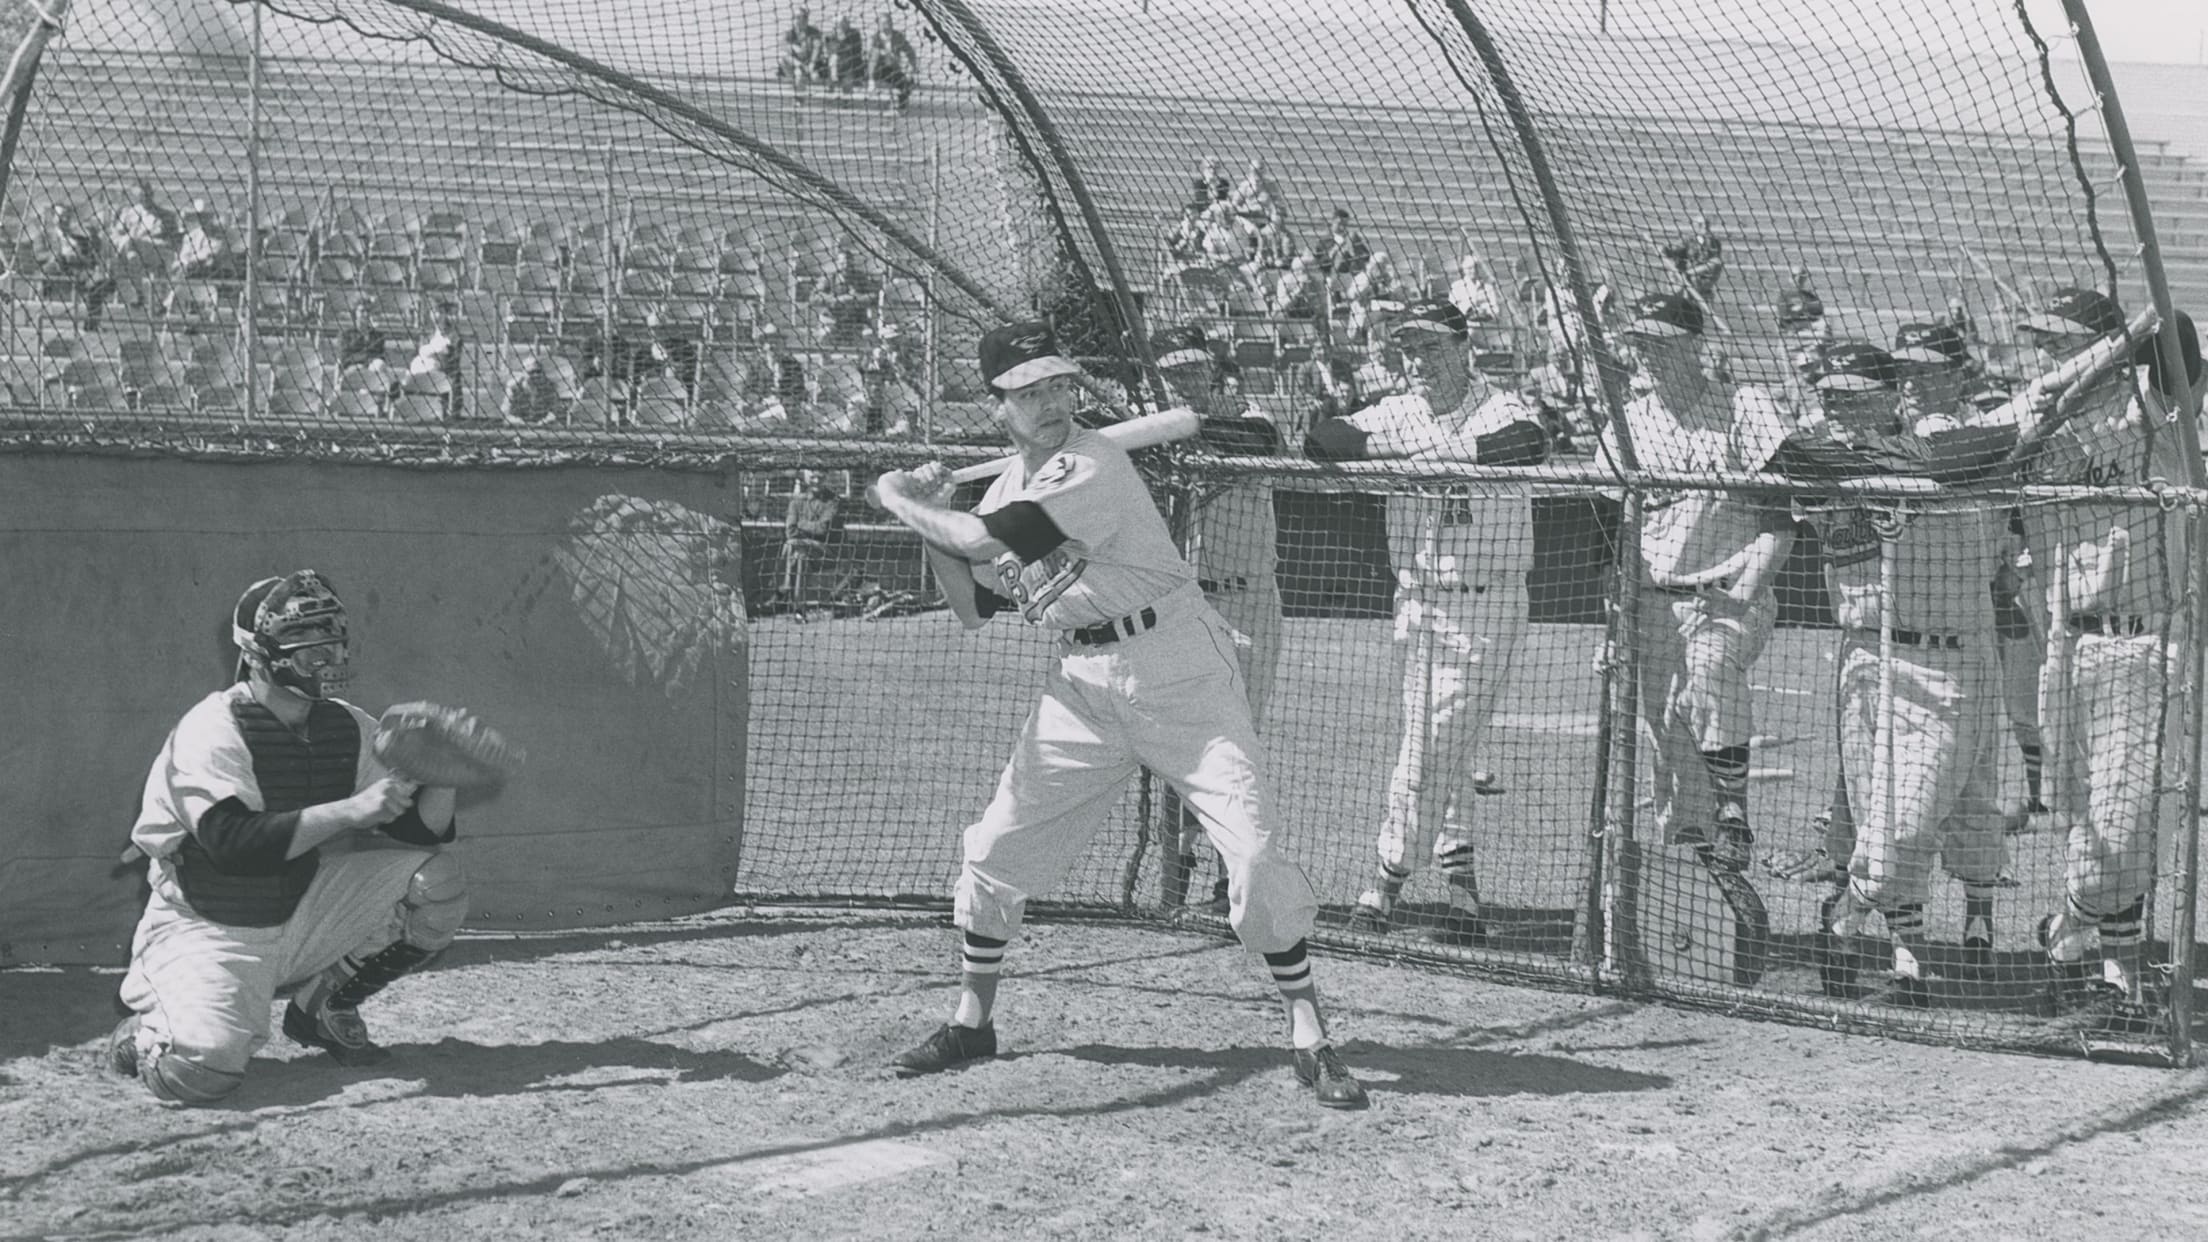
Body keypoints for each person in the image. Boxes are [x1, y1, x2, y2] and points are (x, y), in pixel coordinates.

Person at [868, 321, 1366, 1108]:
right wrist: (929, 518)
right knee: (996, 847)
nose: (1050, 403)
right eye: (1027, 392)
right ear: (998, 405)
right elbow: (971, 606)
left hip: (1178, 669)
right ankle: (972, 1021)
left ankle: (1310, 1034)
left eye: (1058, 385)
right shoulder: (1002, 492)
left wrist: (899, 499)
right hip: (1082, 685)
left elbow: (979, 539)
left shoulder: (1092, 463)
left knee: (1255, 854)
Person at [106, 571, 465, 1104]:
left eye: (332, 638)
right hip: (208, 924)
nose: (326, 655)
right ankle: (148, 1030)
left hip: (297, 908)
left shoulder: (346, 725)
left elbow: (418, 830)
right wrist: (350, 810)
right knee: (200, 1071)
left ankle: (323, 1007)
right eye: (304, 642)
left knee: (436, 883)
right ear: (257, 653)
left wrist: (444, 775)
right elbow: (233, 845)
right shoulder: (213, 727)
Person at [1760, 339, 2017, 998]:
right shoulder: (1826, 451)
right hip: (1865, 650)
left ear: (1886, 397)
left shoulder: (1937, 448)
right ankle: (1908, 953)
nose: (1837, 407)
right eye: (1830, 396)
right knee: (1881, 808)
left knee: (1941, 805)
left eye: (1853, 397)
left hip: (1952, 648)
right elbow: (1799, 466)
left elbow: (1972, 492)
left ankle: (1953, 917)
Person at [1302, 300, 1548, 941]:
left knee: (1431, 744)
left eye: (1433, 348)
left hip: (1485, 603)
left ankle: (1386, 880)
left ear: (1464, 349)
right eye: (1409, 349)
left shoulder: (1500, 405)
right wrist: (1409, 448)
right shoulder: (1399, 410)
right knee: (1438, 743)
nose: (1419, 361)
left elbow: (1529, 444)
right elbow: (1321, 439)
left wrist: (1440, 453)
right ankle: (1463, 892)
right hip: (1418, 602)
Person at [2011, 287, 2190, 1012]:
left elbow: (2179, 332)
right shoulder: (2044, 423)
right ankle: (2114, 972)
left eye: (2060, 341)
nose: (2046, 354)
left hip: (2143, 645)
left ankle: (2066, 926)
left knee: (2127, 818)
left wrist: (2117, 346)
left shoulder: (2153, 411)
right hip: (2068, 646)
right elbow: (1996, 440)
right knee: (2088, 820)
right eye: (2043, 342)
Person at [1598, 291, 1794, 873]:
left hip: (1729, 592)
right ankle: (1703, 887)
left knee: (1709, 668)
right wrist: (1613, 627)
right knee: (1673, 754)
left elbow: (1781, 522)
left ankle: (1733, 812)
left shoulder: (1745, 407)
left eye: (1662, 342)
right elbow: (1613, 539)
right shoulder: (1628, 422)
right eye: (1640, 343)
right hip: (1655, 606)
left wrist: (1740, 598)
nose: (1648, 354)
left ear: (1696, 344)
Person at [1149, 325, 1286, 914]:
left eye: (1192, 368)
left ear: (1212, 370)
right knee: (1180, 738)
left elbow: (1260, 440)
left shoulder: (1249, 416)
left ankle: (1236, 876)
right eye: (1171, 372)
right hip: (1183, 604)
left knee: (1236, 742)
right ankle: (1177, 870)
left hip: (1246, 604)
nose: (1183, 380)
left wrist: (1174, 428)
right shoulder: (1151, 430)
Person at [41, 204, 115, 332]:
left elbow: (91, 260)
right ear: (54, 218)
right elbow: (38, 255)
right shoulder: (45, 236)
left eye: (67, 216)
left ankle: (92, 323)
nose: (64, 219)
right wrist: (58, 256)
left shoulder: (80, 239)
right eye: (61, 216)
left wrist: (80, 256)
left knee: (100, 283)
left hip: (79, 271)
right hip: (57, 271)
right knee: (59, 264)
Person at [108, 180, 178, 311]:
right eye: (140, 196)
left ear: (151, 194)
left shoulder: (166, 215)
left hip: (157, 252)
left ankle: (152, 297)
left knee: (130, 243)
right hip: (134, 253)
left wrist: (141, 239)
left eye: (146, 195)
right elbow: (117, 233)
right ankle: (140, 296)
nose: (143, 199)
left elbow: (173, 242)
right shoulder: (129, 213)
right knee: (132, 255)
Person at [781, 470, 842, 612]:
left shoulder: (833, 501)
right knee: (800, 556)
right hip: (802, 551)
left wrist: (801, 524)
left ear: (825, 478)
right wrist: (810, 528)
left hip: (825, 553)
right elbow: (790, 531)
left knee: (791, 545)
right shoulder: (796, 501)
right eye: (813, 477)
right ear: (807, 478)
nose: (816, 481)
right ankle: (798, 609)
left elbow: (823, 530)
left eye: (820, 477)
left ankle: (783, 589)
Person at [407, 303, 465, 419]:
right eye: (436, 312)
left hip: (442, 370)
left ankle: (444, 409)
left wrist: (436, 354)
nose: (439, 317)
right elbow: (418, 353)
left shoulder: (454, 338)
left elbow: (452, 360)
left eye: (441, 313)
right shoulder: (428, 335)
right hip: (424, 368)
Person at [1660, 214, 1725, 303]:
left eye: (1706, 224)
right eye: (1700, 224)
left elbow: (1715, 263)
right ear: (1694, 226)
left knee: (1716, 262)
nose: (1704, 226)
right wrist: (1664, 249)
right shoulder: (1687, 240)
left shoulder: (1715, 243)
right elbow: (1672, 251)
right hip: (1686, 278)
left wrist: (1691, 272)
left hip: (1704, 278)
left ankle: (1690, 276)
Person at [867, 14, 919, 111]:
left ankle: (901, 107)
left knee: (906, 82)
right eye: (881, 23)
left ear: (891, 24)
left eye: (886, 23)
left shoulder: (898, 37)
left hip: (892, 69)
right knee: (876, 53)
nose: (883, 26)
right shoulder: (875, 38)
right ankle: (871, 81)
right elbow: (870, 58)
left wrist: (911, 69)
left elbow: (910, 52)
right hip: (878, 70)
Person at [502, 352, 563, 424]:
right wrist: (521, 422)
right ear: (523, 373)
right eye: (532, 372)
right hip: (518, 424)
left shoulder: (549, 386)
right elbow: (506, 413)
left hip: (542, 425)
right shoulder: (514, 387)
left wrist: (545, 421)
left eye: (538, 371)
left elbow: (555, 411)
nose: (536, 375)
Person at [1316, 208, 1372, 283]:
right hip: (1334, 272)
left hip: (1351, 272)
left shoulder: (1351, 237)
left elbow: (1366, 256)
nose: (1342, 227)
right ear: (1332, 221)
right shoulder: (1324, 240)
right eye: (1339, 224)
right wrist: (1335, 249)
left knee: (1352, 236)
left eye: (1345, 225)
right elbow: (1321, 262)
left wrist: (1354, 252)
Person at [778, 7, 827, 89]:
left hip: (810, 65)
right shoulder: (790, 32)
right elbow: (782, 45)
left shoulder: (814, 32)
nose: (798, 20)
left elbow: (817, 49)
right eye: (796, 17)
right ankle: (796, 77)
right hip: (796, 64)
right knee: (781, 56)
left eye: (803, 17)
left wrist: (812, 64)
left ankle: (799, 81)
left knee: (813, 77)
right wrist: (793, 47)